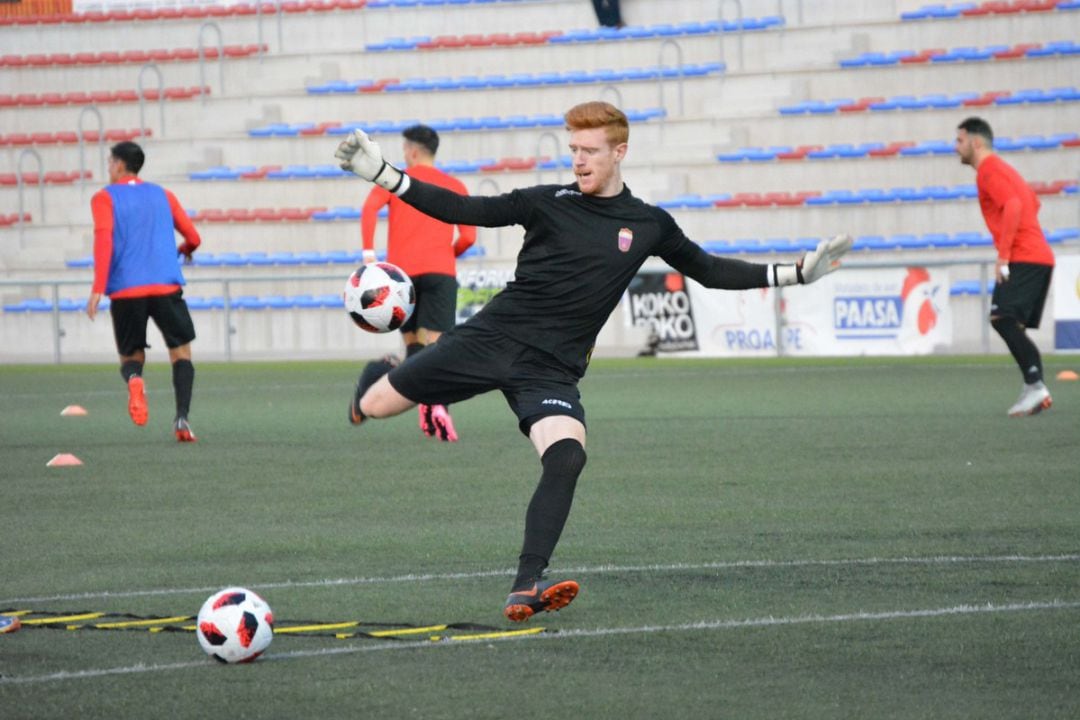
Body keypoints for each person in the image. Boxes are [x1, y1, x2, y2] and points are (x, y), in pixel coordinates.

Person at [334, 101, 852, 622]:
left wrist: (797, 274)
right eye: (574, 150)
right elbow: (465, 212)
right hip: (489, 340)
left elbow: (710, 269)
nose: (578, 160)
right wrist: (381, 174)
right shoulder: (546, 202)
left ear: (619, 152)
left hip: (550, 370)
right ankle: (373, 379)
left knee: (566, 456)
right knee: (377, 405)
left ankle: (526, 585)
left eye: (590, 151)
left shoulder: (648, 224)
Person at [356, 124, 476, 442]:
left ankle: (385, 387)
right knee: (439, 346)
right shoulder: (454, 185)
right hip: (440, 272)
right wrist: (446, 255)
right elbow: (469, 236)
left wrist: (369, 255)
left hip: (401, 277)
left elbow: (369, 208)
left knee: (413, 347)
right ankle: (438, 408)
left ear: (411, 150)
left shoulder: (397, 180)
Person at [86, 141, 202, 442]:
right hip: (165, 284)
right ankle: (182, 420)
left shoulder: (103, 198)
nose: (109, 167)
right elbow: (193, 236)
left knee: (130, 357)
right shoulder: (163, 195)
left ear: (121, 165)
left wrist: (98, 288)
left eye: (110, 162)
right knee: (181, 353)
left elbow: (104, 241)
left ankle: (136, 380)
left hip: (126, 290)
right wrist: (185, 249)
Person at [955, 117, 1055, 417]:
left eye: (959, 141)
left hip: (1025, 256)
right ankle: (1033, 385)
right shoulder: (1003, 168)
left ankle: (1035, 385)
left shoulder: (988, 170)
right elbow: (1032, 203)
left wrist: (1004, 255)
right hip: (1038, 256)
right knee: (1010, 321)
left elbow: (1013, 205)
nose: (955, 147)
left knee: (1002, 318)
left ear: (976, 142)